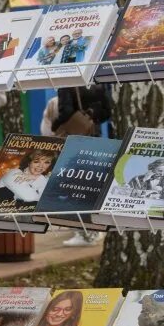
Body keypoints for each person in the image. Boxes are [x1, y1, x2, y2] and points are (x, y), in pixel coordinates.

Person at [53, 85, 112, 247]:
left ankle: (85, 234)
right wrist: (91, 114)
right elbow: (108, 111)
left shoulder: (68, 84)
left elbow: (65, 113)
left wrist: (55, 125)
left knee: (76, 187)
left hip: (76, 140)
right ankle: (96, 229)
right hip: (94, 135)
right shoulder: (98, 84)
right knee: (92, 185)